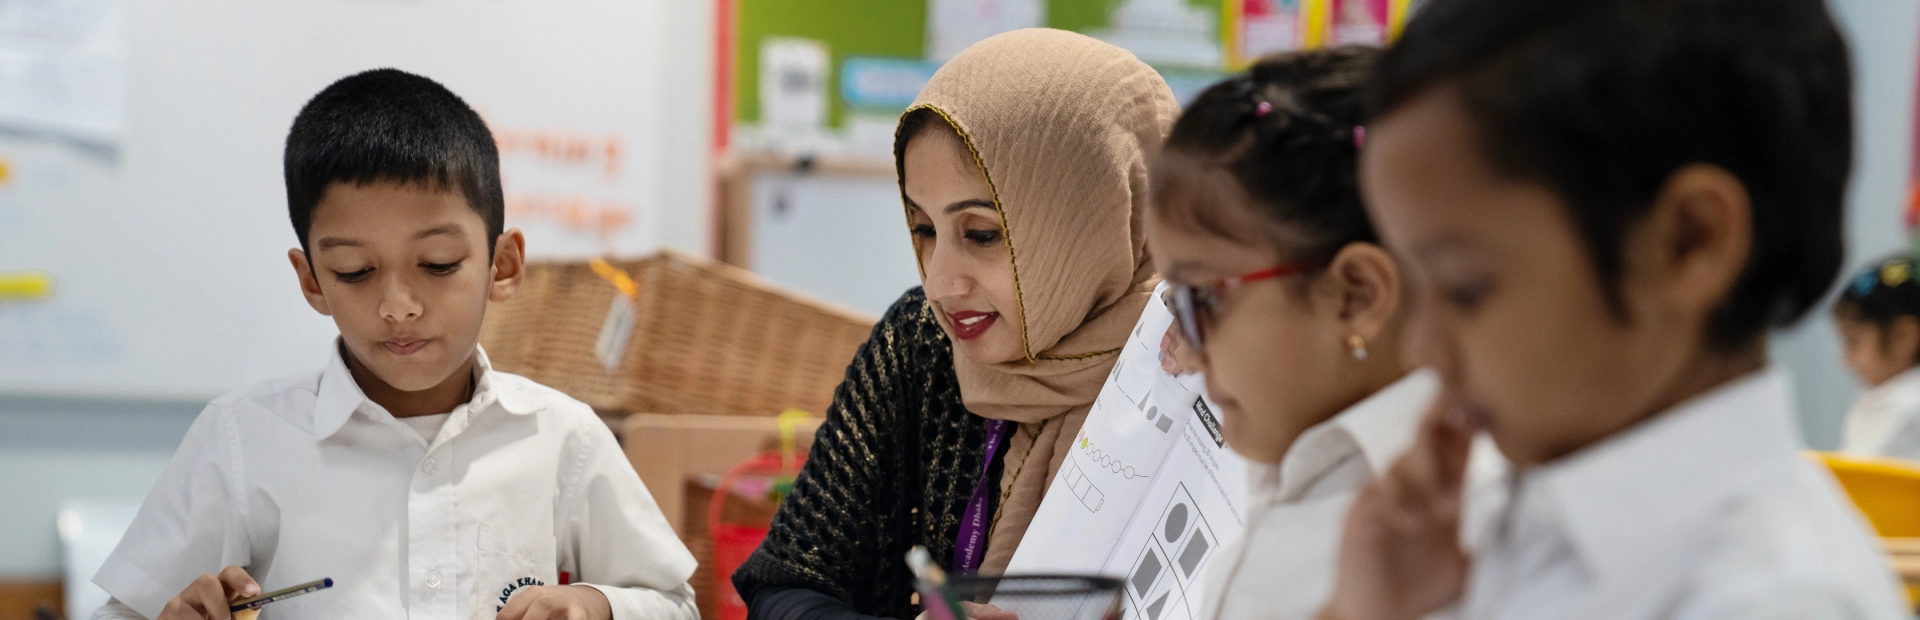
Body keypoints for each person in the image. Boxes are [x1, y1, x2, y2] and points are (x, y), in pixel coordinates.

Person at [1314, 0, 1911, 618]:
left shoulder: (1774, 598)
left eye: (1466, 289)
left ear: (1689, 242)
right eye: (1414, 290)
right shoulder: (1499, 495)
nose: (1420, 350)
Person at [90, 69, 697, 620]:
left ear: (503, 266)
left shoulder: (561, 435)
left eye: (437, 263)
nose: (398, 304)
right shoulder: (243, 439)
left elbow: (672, 603)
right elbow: (125, 613)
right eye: (355, 271)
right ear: (312, 281)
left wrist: (595, 606)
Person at [731, 29, 1176, 620]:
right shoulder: (920, 342)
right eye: (924, 229)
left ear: (1092, 216)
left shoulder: (1186, 361)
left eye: (982, 234)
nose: (941, 283)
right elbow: (787, 580)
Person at [1145, 45, 1438, 619]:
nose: (1191, 349)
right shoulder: (1299, 451)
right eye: (1176, 304)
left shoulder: (1442, 528)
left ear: (1358, 295)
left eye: (1204, 297)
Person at [1836, 256, 1920, 462]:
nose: (1845, 361)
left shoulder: (1907, 409)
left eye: (1853, 341)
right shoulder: (1880, 399)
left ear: (1903, 337)